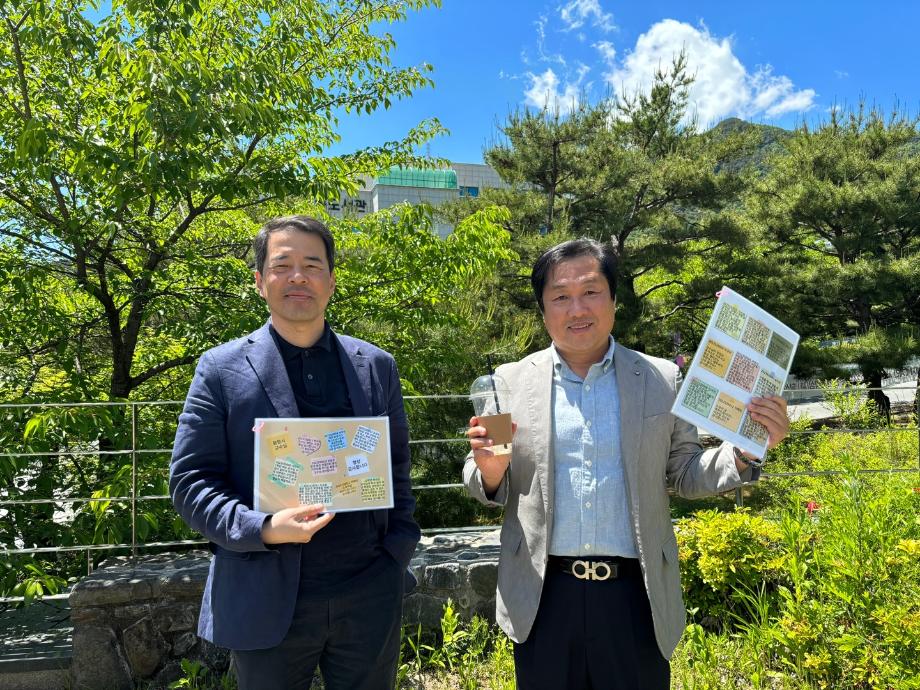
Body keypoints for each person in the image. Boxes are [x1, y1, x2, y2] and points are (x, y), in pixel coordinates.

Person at [464, 238, 790, 690]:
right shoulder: (508, 382)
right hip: (541, 594)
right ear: (543, 310)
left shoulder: (660, 378)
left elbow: (684, 472)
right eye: (560, 296)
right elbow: (483, 470)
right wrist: (489, 470)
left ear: (614, 300)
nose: (577, 308)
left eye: (591, 291)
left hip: (636, 595)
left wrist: (745, 450)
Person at [170, 215, 419, 690]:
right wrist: (263, 528)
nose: (298, 277)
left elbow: (397, 467)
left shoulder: (376, 365)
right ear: (259, 281)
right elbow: (190, 483)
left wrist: (397, 552)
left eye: (312, 265)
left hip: (370, 590)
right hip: (263, 592)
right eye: (282, 266)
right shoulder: (220, 369)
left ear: (331, 281)